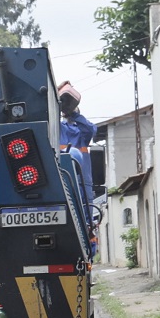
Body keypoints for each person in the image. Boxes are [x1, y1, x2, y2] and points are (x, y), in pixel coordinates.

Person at [56, 82, 98, 257]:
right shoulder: (57, 128)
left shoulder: (81, 132)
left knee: (86, 219)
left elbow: (90, 129)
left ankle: (88, 251)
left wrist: (73, 113)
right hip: (62, 179)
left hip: (82, 181)